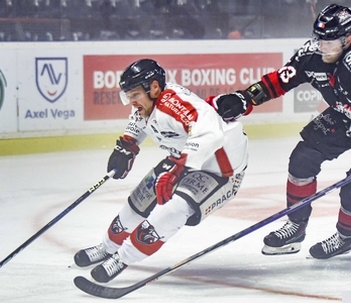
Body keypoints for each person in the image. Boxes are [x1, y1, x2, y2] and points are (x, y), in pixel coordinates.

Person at [209, 4, 351, 259]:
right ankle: (296, 226)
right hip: (348, 110)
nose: (322, 46)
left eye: (329, 41)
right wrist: (245, 98)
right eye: (319, 39)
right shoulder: (313, 53)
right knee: (302, 159)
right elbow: (280, 79)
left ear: (347, 39)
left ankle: (345, 237)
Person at [74, 59, 248, 282]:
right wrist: (127, 145)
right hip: (183, 158)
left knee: (174, 209)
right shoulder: (148, 103)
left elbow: (211, 134)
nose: (131, 102)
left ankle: (122, 258)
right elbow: (139, 121)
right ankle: (107, 248)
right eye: (127, 96)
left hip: (220, 170)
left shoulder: (173, 105)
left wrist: (177, 172)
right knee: (139, 201)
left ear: (154, 87)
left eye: (134, 95)